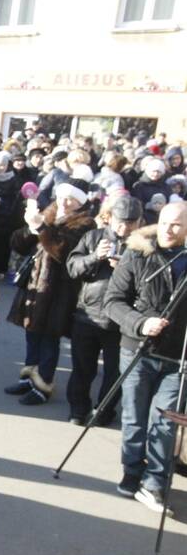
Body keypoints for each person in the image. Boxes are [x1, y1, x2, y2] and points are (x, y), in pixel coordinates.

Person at [104, 201, 187, 512]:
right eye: (165, 221)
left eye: (177, 224)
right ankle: (132, 472)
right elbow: (113, 301)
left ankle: (154, 483)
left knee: (165, 422)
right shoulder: (137, 252)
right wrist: (141, 323)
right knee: (134, 417)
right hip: (137, 349)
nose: (169, 228)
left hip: (179, 358)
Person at [5, 179, 94, 405]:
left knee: (49, 338)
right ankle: (28, 377)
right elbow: (18, 244)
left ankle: (43, 385)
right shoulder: (50, 211)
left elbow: (62, 252)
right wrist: (30, 228)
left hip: (60, 290)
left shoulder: (85, 223)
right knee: (32, 333)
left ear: (80, 202)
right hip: (35, 285)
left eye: (71, 199)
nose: (64, 202)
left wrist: (42, 229)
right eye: (62, 196)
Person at [65, 196, 142, 425]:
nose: (124, 226)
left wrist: (125, 268)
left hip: (121, 320)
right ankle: (78, 410)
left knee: (114, 373)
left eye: (131, 222)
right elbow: (73, 268)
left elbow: (149, 284)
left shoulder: (144, 244)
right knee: (82, 368)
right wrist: (94, 257)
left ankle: (104, 411)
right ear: (110, 218)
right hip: (87, 315)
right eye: (120, 220)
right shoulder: (93, 237)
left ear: (139, 222)